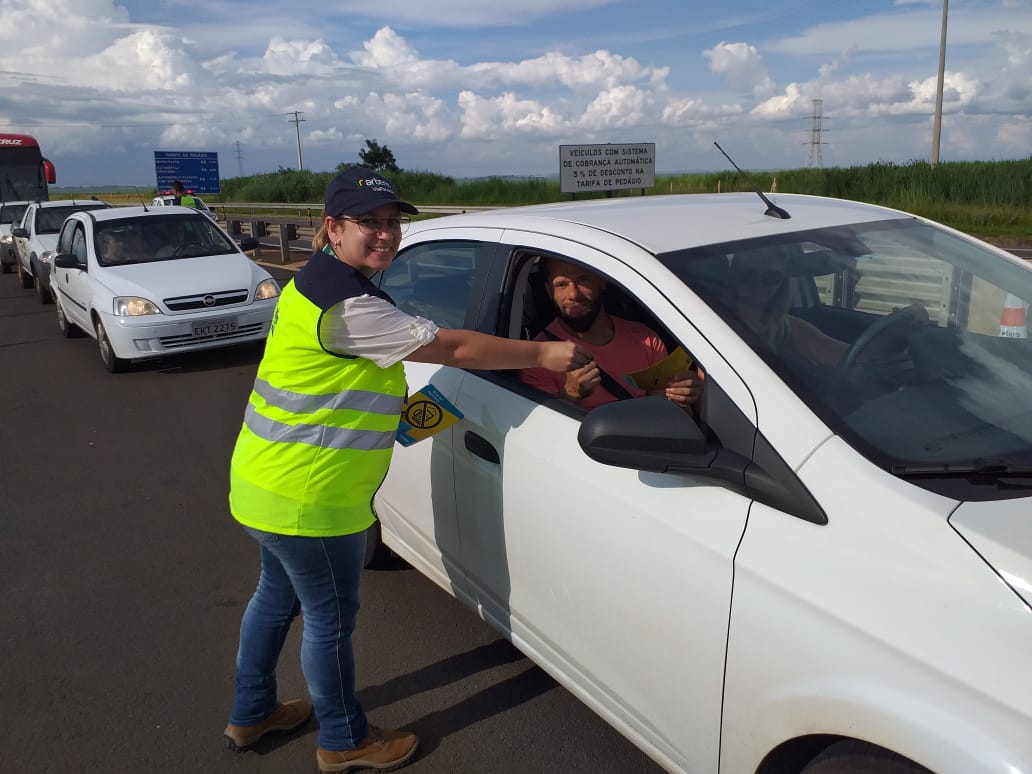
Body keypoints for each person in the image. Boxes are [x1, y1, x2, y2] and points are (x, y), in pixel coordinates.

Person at [223, 167, 590, 773]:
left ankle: (252, 711)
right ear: (332, 228)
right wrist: (543, 353)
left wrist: (428, 416)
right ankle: (344, 741)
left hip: (267, 482)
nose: (386, 234)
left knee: (276, 598)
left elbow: (356, 389)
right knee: (330, 620)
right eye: (369, 223)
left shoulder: (314, 283)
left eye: (393, 222)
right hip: (312, 500)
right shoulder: (344, 306)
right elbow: (454, 349)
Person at [520, 257, 703, 410]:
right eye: (561, 284)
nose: (573, 294)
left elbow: (679, 415)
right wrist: (569, 396)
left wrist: (683, 396)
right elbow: (543, 436)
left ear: (602, 281)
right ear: (548, 291)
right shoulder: (538, 359)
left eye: (583, 280)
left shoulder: (646, 339)